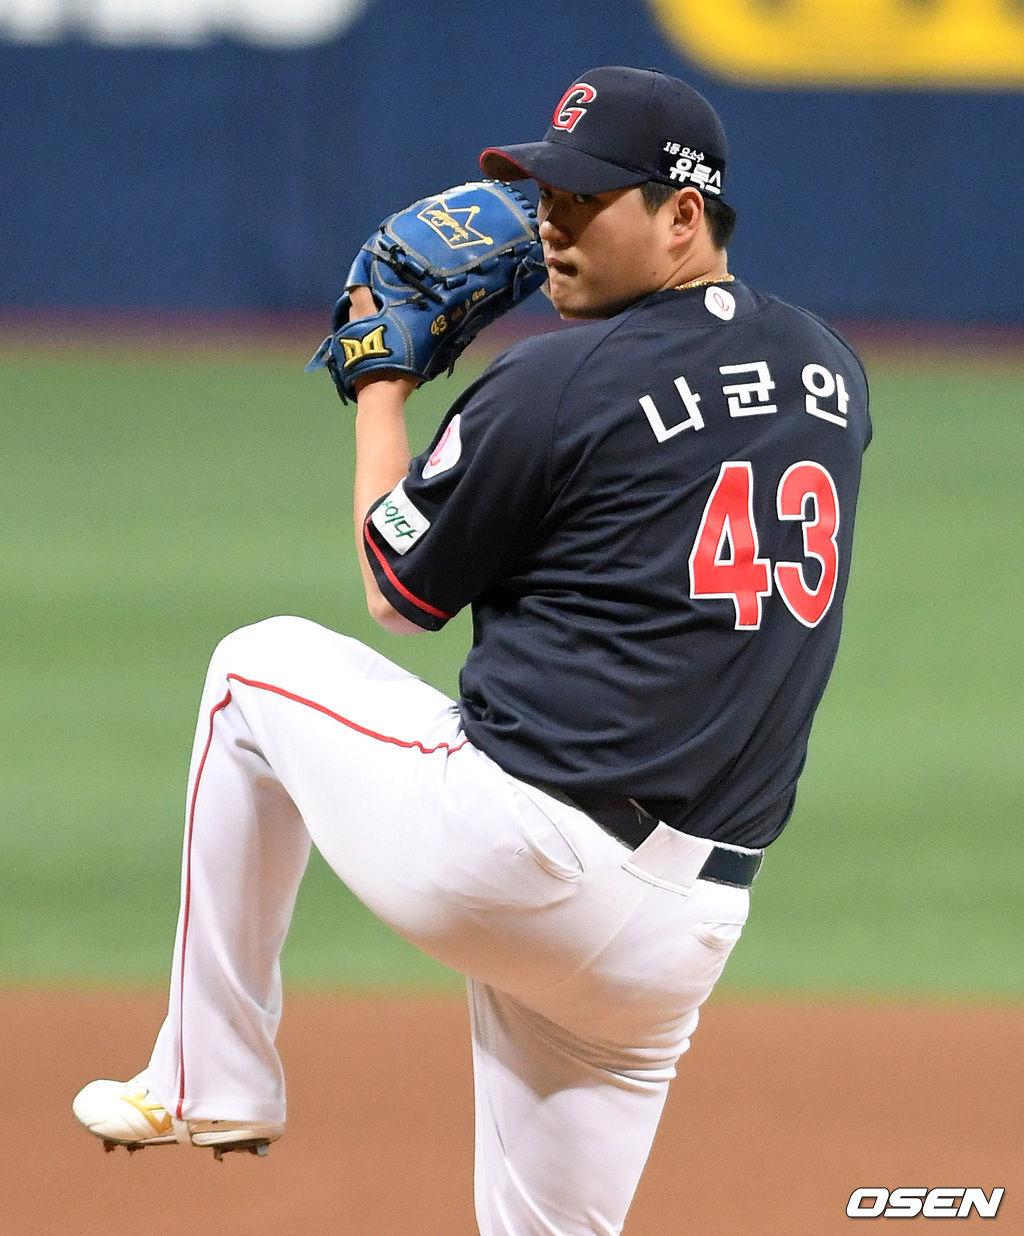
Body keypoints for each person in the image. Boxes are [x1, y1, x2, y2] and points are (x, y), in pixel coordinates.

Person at [73, 65, 871, 1234]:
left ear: (682, 216)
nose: (550, 223)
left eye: (587, 200)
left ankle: (214, 1079)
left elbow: (398, 588)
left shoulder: (547, 383)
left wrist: (384, 388)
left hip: (518, 857)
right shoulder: (830, 372)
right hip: (679, 939)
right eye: (546, 193)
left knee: (252, 671)